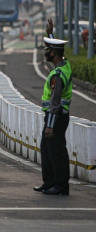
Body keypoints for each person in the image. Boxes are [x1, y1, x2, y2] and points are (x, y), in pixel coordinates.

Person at [33, 19, 72, 196]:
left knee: (57, 152)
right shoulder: (64, 64)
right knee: (47, 150)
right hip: (53, 116)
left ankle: (61, 185)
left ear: (54, 53)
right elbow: (57, 49)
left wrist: (50, 125)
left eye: (48, 51)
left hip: (56, 117)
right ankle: (48, 183)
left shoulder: (57, 75)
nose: (45, 54)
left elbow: (55, 104)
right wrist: (50, 34)